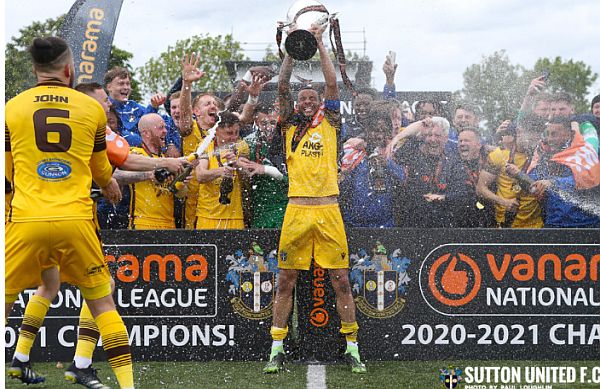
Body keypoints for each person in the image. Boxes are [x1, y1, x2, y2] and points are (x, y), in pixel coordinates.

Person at [5, 36, 134, 388]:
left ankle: (19, 361)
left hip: (25, 218)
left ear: (34, 70)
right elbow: (101, 170)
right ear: (68, 69)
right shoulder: (91, 109)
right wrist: (108, 183)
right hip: (76, 219)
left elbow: (9, 173)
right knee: (103, 301)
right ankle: (126, 385)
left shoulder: (10, 109)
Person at [264, 23, 366, 374]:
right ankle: (277, 345)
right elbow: (280, 85)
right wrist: (292, 50)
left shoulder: (332, 123)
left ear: (319, 103)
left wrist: (321, 44)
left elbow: (333, 82)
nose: (307, 102)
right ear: (296, 104)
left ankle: (352, 346)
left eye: (312, 98)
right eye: (302, 98)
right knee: (285, 280)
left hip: (328, 209)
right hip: (296, 211)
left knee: (340, 280)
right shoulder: (289, 124)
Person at [339, 103, 405, 227]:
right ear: (367, 130)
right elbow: (340, 185)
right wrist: (345, 174)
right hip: (353, 225)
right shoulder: (353, 150)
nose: (379, 135)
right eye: (375, 130)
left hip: (386, 225)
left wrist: (388, 164)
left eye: (383, 130)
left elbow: (403, 180)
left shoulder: (395, 152)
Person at [527, 117, 600, 227]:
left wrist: (552, 182)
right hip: (554, 223)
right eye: (548, 134)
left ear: (569, 134)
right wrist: (518, 174)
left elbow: (583, 179)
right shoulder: (544, 155)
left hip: (586, 224)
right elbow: (534, 179)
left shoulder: (584, 151)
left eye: (554, 134)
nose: (550, 139)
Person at [128, 113, 188, 229]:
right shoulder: (136, 154)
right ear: (146, 133)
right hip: (143, 223)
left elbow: (182, 194)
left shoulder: (166, 158)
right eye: (160, 128)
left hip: (169, 224)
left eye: (165, 127)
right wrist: (153, 173)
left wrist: (182, 181)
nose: (165, 131)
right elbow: (123, 173)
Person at [195, 111, 250, 229]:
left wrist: (237, 164)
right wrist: (221, 171)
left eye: (237, 133)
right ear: (217, 131)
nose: (234, 137)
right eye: (229, 133)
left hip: (235, 216)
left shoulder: (242, 146)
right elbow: (200, 176)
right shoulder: (204, 146)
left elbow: (247, 178)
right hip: (207, 216)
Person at [238, 103, 289, 228]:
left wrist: (266, 169)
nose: (269, 127)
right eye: (264, 123)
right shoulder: (248, 143)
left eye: (272, 123)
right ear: (256, 122)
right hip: (260, 209)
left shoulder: (289, 141)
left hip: (286, 205)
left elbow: (294, 179)